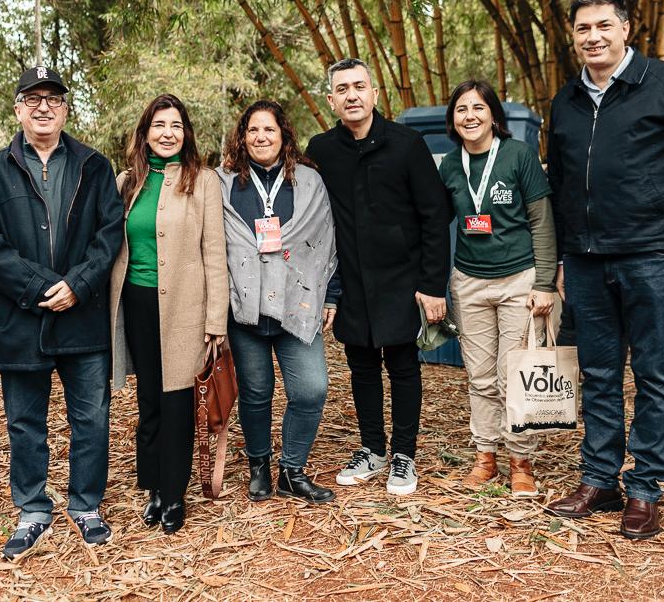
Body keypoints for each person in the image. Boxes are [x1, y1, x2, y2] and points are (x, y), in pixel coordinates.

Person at [545, 0, 664, 539]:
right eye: (582, 28)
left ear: (626, 28)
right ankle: (600, 478)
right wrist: (561, 258)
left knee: (652, 374)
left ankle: (645, 487)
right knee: (598, 375)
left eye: (603, 25)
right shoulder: (567, 99)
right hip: (587, 260)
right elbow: (560, 184)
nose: (592, 36)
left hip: (654, 256)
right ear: (572, 35)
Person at [0, 67, 123, 556]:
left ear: (66, 108)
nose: (43, 107)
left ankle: (85, 505)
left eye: (53, 98)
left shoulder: (95, 167)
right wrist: (40, 286)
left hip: (83, 316)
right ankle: (32, 509)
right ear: (18, 109)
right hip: (20, 319)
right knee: (24, 422)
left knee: (91, 418)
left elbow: (109, 234)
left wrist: (76, 285)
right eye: (32, 99)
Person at [306, 58, 453, 496]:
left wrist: (431, 285)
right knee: (362, 366)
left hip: (403, 281)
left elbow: (434, 217)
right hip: (350, 280)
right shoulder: (322, 150)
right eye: (342, 89)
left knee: (404, 365)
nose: (352, 95)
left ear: (374, 93)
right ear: (331, 100)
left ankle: (404, 455)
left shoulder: (407, 144)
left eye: (359, 86)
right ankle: (372, 448)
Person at [109, 94, 228, 534]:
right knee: (149, 400)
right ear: (145, 133)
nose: (167, 133)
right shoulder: (127, 181)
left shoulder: (203, 180)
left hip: (184, 306)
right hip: (136, 302)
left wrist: (216, 319)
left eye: (176, 125)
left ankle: (173, 494)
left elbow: (215, 252)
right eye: (159, 125)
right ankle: (154, 485)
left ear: (186, 133)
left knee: (177, 399)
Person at [439, 80, 557, 498]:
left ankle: (520, 460)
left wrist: (545, 283)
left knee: (516, 376)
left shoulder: (518, 156)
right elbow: (434, 223)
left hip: (519, 280)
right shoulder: (450, 165)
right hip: (469, 281)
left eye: (478, 107)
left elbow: (542, 222)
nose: (469, 116)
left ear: (493, 115)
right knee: (480, 377)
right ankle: (485, 456)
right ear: (452, 119)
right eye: (461, 109)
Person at [218, 100, 339, 504]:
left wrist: (332, 296)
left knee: (311, 389)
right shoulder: (222, 182)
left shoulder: (307, 181)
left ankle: (292, 469)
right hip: (243, 309)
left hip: (296, 305)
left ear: (284, 134)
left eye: (269, 129)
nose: (261, 137)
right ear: (242, 137)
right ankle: (259, 467)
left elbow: (325, 241)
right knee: (256, 391)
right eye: (253, 130)